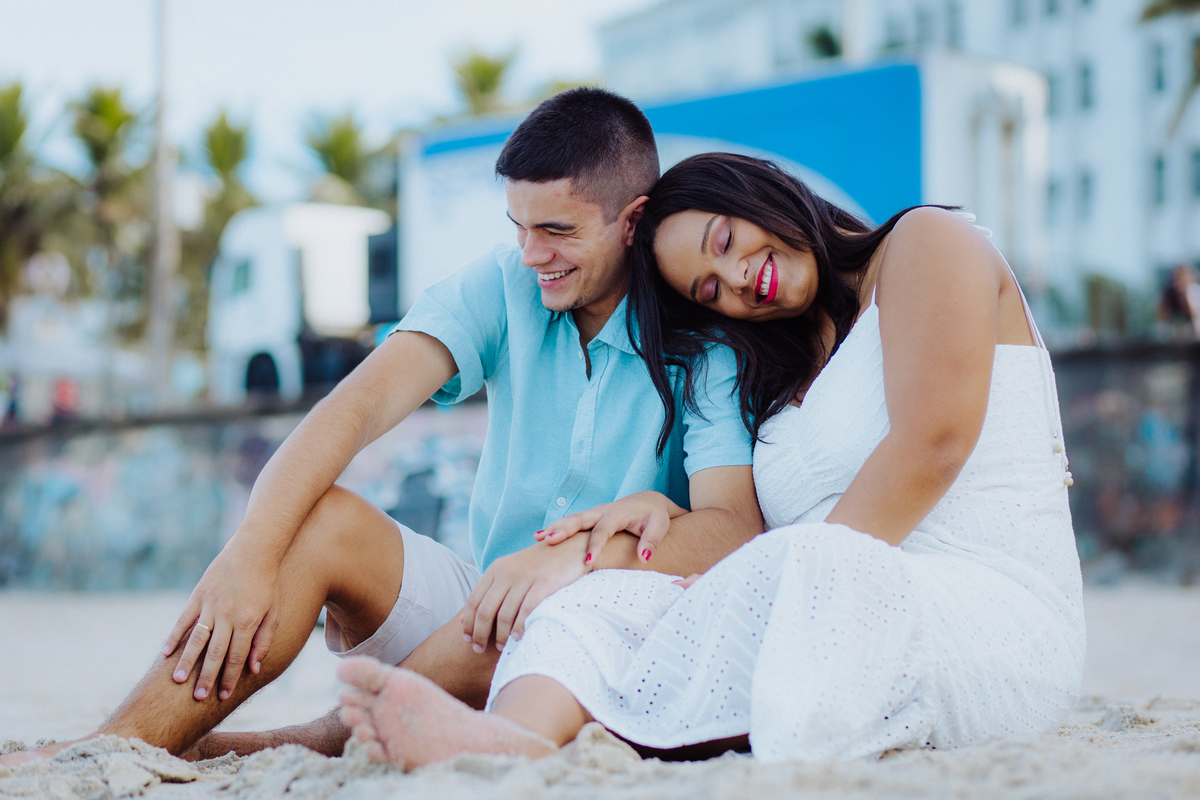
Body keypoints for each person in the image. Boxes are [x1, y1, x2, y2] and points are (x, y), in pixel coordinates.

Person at [1, 98, 763, 767]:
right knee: (320, 520)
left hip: (609, 632)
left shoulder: (702, 345)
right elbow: (356, 407)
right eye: (520, 227)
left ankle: (320, 737)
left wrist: (572, 560)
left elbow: (733, 529)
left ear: (632, 221)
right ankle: (119, 743)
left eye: (557, 231)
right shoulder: (506, 283)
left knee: (531, 609)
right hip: (479, 613)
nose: (533, 255)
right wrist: (249, 554)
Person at [333, 152, 1086, 767]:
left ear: (763, 193)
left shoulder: (925, 244)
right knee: (599, 592)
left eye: (726, 242)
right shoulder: (776, 375)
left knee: (818, 571)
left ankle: (611, 715)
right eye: (708, 288)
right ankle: (514, 737)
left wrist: (781, 582)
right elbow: (758, 526)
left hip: (988, 620)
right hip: (835, 597)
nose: (734, 280)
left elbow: (933, 444)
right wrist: (654, 520)